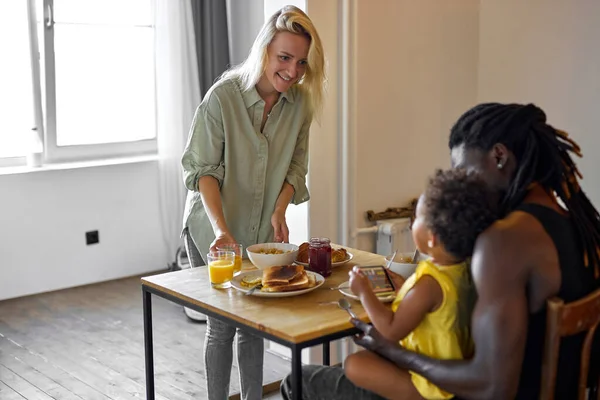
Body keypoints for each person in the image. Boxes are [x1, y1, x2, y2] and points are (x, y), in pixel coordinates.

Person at [280, 103, 600, 400]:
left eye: (464, 172)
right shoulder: (578, 222)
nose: (460, 185)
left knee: (300, 380)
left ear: (499, 157)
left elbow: (493, 386)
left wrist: (394, 351)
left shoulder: (505, 240)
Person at [181, 5, 326, 400]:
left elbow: (296, 167)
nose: (293, 71)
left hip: (262, 230)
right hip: (213, 228)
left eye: (301, 62)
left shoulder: (300, 105)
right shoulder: (222, 98)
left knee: (253, 324)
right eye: (284, 57)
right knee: (222, 325)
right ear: (264, 50)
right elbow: (204, 171)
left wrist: (280, 209)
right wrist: (222, 230)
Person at [344, 169, 496, 400]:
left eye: (416, 218)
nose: (413, 223)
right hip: (448, 372)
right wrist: (404, 289)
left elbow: (391, 331)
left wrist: (364, 292)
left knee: (354, 364)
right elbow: (437, 308)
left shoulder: (429, 284)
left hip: (431, 387)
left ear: (432, 236)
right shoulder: (465, 269)